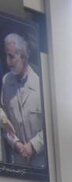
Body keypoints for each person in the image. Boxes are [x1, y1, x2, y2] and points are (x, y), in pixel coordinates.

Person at [2, 32, 45, 168]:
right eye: (6, 55)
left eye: (11, 56)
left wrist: (33, 145)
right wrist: (16, 143)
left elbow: (51, 125)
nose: (8, 61)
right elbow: (4, 122)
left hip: (41, 164)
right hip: (18, 164)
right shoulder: (6, 82)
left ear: (24, 56)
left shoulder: (40, 82)